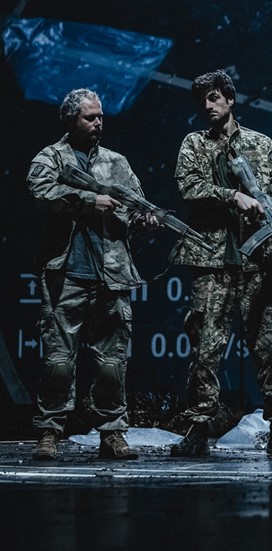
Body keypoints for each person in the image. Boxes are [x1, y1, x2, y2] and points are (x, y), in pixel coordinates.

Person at [168, 70, 272, 458]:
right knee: (206, 346)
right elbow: (189, 186)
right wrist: (231, 196)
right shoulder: (195, 144)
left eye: (215, 97)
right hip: (212, 258)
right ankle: (199, 426)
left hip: (257, 261)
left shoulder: (261, 145)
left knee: (269, 345)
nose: (208, 105)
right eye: (202, 99)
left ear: (230, 100)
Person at [27, 88, 155, 460]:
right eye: (90, 117)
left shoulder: (117, 162)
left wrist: (144, 220)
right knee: (58, 361)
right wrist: (87, 199)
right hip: (66, 273)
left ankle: (112, 433)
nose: (98, 122)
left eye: (100, 116)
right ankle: (50, 431)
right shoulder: (51, 157)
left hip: (111, 275)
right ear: (71, 120)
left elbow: (134, 207)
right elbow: (40, 191)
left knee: (112, 363)